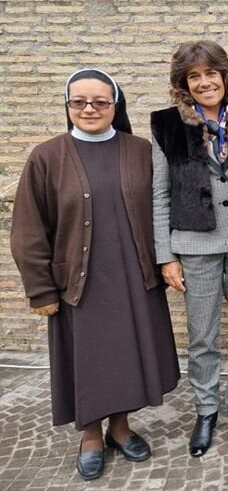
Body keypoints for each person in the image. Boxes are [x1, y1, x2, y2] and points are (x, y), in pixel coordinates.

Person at [10, 69, 180, 481]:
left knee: (126, 357)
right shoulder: (47, 156)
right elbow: (28, 229)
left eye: (100, 102)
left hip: (132, 278)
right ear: (67, 105)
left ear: (115, 106)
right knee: (87, 362)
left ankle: (120, 429)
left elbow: (163, 207)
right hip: (78, 283)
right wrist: (40, 289)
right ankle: (90, 436)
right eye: (79, 101)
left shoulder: (140, 150)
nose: (89, 109)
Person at [151, 40, 228, 456]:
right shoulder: (165, 125)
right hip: (195, 244)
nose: (204, 82)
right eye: (194, 76)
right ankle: (205, 409)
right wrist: (166, 256)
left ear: (224, 75)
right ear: (183, 84)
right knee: (202, 335)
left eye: (210, 73)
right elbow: (159, 195)